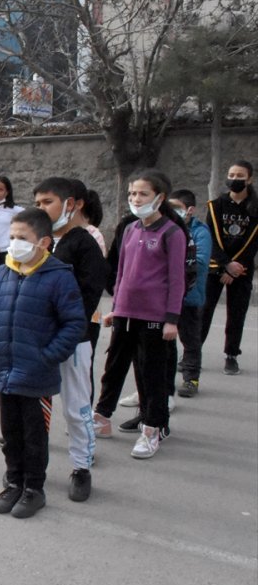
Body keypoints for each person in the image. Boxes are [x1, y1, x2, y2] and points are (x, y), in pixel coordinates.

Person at [0, 207, 85, 519]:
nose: (14, 244)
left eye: (22, 238)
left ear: (44, 242)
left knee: (34, 436)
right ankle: (14, 482)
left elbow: (73, 324)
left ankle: (34, 489)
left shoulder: (59, 277)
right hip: (4, 369)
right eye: (11, 237)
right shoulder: (2, 272)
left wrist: (47, 357)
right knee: (10, 432)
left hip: (36, 373)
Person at [93, 170, 187, 459]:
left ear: (159, 198)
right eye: (133, 193)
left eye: (143, 194)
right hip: (125, 314)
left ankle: (152, 428)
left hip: (155, 318)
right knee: (114, 367)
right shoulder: (130, 229)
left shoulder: (172, 232)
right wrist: (116, 308)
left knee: (151, 375)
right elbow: (121, 273)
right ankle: (101, 418)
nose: (136, 199)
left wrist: (171, 319)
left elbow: (177, 279)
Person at [33, 177, 108, 502]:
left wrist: (59, 334)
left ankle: (81, 468)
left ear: (72, 204)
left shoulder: (84, 244)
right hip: (36, 340)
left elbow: (85, 300)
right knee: (34, 407)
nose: (41, 209)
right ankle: (30, 466)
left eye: (47, 202)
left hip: (72, 342)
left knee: (76, 409)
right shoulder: (42, 241)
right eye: (37, 203)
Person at [200, 160, 258, 376]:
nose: (234, 179)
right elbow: (211, 238)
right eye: (231, 174)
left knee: (237, 313)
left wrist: (235, 268)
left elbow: (253, 242)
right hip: (216, 266)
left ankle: (231, 355)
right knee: (204, 310)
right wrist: (225, 265)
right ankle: (193, 352)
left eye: (239, 175)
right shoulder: (215, 206)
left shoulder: (255, 208)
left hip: (241, 269)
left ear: (249, 179)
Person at [169, 190, 212, 397]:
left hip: (190, 297)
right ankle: (166, 378)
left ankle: (191, 378)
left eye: (176, 207)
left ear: (190, 210)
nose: (172, 212)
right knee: (164, 340)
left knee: (191, 340)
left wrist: (172, 263)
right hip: (166, 297)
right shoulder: (165, 228)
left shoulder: (200, 232)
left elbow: (201, 262)